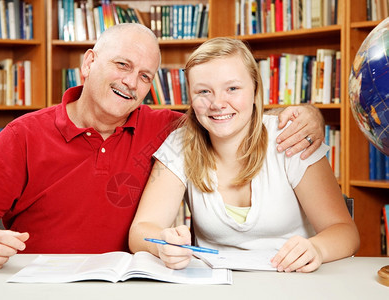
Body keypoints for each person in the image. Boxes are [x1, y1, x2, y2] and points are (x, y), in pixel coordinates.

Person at [0, 24, 325, 271]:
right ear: (89, 62)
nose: (131, 82)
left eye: (145, 76)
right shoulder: (24, 135)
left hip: (128, 283)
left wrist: (307, 115)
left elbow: (226, 113)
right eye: (122, 65)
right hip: (39, 281)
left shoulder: (168, 128)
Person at [129, 37, 360, 273]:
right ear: (191, 97)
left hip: (294, 282)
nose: (218, 103)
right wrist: (163, 244)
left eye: (232, 88)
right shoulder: (180, 144)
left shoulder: (292, 136)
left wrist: (317, 249)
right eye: (204, 91)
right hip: (215, 286)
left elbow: (344, 231)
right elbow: (141, 230)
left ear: (255, 90)